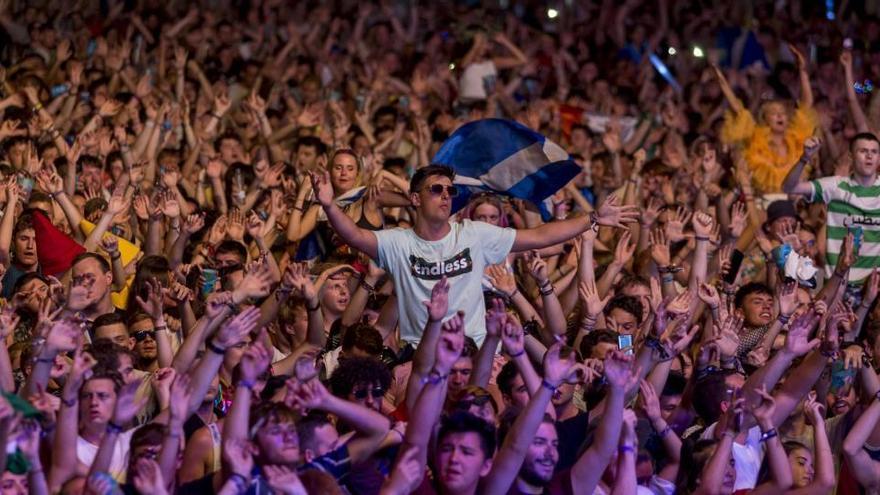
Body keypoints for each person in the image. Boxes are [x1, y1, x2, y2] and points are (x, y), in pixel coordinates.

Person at [310, 164, 638, 345]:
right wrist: (327, 204)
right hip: (418, 353)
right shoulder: (398, 242)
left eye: (450, 191)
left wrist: (593, 219)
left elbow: (539, 235)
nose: (445, 196)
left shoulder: (474, 234)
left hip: (474, 350)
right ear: (414, 199)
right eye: (435, 189)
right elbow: (351, 234)